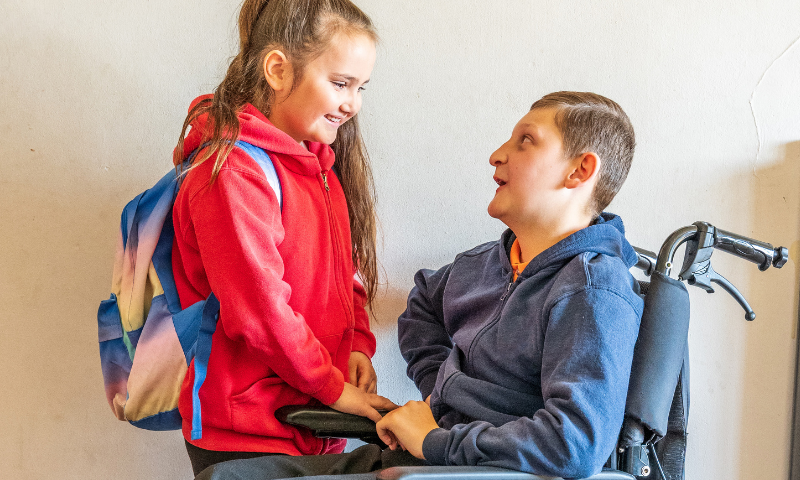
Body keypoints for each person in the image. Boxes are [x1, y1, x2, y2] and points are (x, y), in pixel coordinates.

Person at [170, 0, 396, 475]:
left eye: (361, 88)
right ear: (277, 69)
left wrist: (357, 346)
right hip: (244, 428)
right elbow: (261, 312)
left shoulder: (323, 172)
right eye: (340, 84)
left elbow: (345, 275)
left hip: (311, 419)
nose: (353, 103)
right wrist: (332, 388)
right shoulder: (231, 171)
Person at [376, 91, 645, 478]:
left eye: (526, 141)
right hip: (432, 462)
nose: (497, 155)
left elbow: (576, 443)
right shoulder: (479, 265)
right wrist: (440, 390)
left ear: (580, 171)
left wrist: (436, 441)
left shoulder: (591, 290)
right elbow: (422, 306)